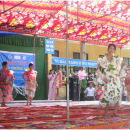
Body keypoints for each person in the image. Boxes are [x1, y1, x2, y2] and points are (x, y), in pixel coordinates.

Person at [96, 44, 127, 116]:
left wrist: (120, 74)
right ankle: (106, 112)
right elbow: (97, 69)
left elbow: (125, 64)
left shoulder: (117, 59)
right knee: (109, 94)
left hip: (116, 79)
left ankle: (115, 112)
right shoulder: (103, 59)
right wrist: (103, 77)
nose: (112, 50)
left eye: (113, 49)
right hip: (109, 79)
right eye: (110, 48)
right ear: (108, 49)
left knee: (118, 94)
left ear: (114, 50)